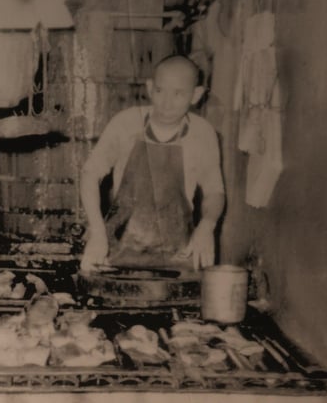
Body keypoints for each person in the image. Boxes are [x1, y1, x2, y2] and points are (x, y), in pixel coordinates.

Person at [79, 55, 225, 273]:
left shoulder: (203, 133)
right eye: (159, 91)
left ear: (196, 95)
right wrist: (98, 232)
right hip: (115, 252)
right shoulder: (125, 123)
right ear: (149, 87)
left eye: (178, 94)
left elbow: (215, 191)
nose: (166, 103)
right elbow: (90, 174)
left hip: (179, 256)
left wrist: (207, 226)